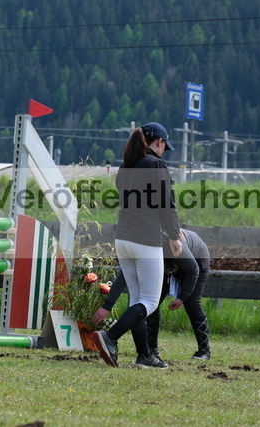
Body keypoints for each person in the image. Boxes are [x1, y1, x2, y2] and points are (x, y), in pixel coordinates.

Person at [92, 122, 182, 369]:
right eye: (164, 146)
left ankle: (145, 356)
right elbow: (166, 203)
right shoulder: (156, 165)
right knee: (150, 302)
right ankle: (110, 337)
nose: (164, 151)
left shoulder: (125, 167)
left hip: (123, 239)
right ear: (159, 142)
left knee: (137, 301)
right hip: (145, 239)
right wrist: (174, 236)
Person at [93, 228, 212, 361]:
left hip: (195, 260)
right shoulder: (139, 245)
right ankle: (151, 348)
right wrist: (107, 306)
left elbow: (193, 270)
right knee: (152, 300)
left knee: (192, 303)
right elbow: (124, 275)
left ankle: (204, 350)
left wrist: (182, 297)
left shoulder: (170, 242)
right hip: (166, 261)